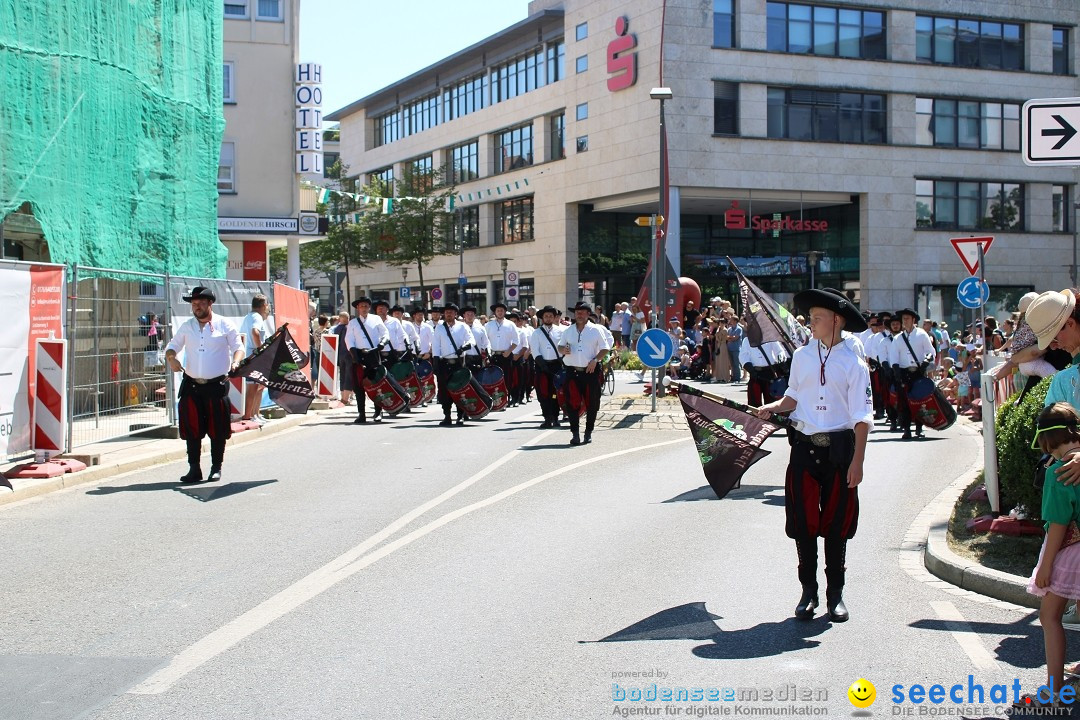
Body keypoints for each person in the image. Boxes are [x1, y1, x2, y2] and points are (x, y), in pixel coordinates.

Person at [753, 287, 872, 623]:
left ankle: (836, 594)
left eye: (817, 318)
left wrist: (858, 462)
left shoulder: (854, 363)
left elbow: (862, 417)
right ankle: (808, 592)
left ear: (837, 320)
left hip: (840, 449)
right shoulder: (803, 356)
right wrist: (772, 407)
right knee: (803, 524)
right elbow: (792, 396)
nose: (811, 323)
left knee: (836, 525)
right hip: (804, 447)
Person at [1027, 403, 1080, 701]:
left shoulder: (1057, 472)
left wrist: (1045, 567)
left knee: (1049, 617)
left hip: (1071, 552)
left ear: (1046, 441)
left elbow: (1058, 524)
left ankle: (1053, 690)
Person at [164, 286, 244, 484]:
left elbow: (238, 347)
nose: (196, 307)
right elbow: (172, 347)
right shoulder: (187, 326)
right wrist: (171, 358)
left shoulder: (224, 325)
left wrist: (235, 362)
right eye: (193, 304)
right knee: (192, 428)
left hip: (216, 385)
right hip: (192, 386)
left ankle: (216, 467)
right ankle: (194, 469)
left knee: (217, 429)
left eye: (200, 303)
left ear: (210, 303)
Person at [558, 301, 611, 446]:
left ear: (588, 314)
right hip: (572, 371)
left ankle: (588, 432)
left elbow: (605, 348)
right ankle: (575, 433)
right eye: (577, 312)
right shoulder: (568, 330)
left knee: (592, 403)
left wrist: (596, 360)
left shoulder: (596, 329)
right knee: (572, 403)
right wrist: (563, 350)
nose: (579, 315)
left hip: (591, 372)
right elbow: (560, 346)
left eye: (582, 312)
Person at [888, 308, 935, 440]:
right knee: (904, 402)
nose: (905, 321)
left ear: (914, 320)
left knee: (919, 400)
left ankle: (919, 428)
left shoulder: (922, 335)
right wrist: (896, 370)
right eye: (903, 319)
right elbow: (893, 356)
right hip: (903, 372)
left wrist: (926, 361)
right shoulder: (898, 338)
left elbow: (931, 351)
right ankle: (906, 429)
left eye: (907, 318)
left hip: (918, 371)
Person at [344, 297, 389, 424]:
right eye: (361, 306)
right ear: (357, 308)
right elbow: (349, 339)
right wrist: (353, 352)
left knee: (376, 384)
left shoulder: (376, 319)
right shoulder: (353, 322)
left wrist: (382, 343)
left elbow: (385, 333)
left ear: (369, 308)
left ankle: (378, 411)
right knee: (358, 386)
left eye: (366, 306)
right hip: (358, 355)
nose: (364, 308)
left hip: (373, 353)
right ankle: (361, 413)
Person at [431, 303, 475, 426]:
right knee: (444, 390)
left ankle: (460, 415)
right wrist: (435, 361)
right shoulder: (439, 328)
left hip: (459, 363)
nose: (449, 314)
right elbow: (436, 345)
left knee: (460, 389)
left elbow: (472, 340)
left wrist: (465, 347)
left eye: (451, 312)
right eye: (446, 312)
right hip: (444, 363)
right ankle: (447, 416)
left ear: (456, 314)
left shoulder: (463, 326)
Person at [530, 305, 565, 428]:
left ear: (554, 317)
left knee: (555, 393)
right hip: (542, 366)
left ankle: (555, 417)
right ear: (542, 318)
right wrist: (543, 365)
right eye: (546, 316)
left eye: (551, 316)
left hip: (556, 366)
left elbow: (564, 348)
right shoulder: (536, 333)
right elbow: (535, 350)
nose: (548, 318)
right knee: (543, 393)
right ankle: (547, 418)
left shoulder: (561, 331)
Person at [238, 294, 271, 425]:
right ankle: (248, 415)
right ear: (263, 305)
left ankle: (255, 414)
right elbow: (255, 332)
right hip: (254, 356)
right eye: (267, 304)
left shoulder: (249, 317)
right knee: (253, 387)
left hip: (251, 355)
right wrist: (260, 350)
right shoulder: (256, 317)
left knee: (259, 386)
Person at [485, 302, 519, 405]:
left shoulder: (510, 324)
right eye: (498, 310)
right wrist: (487, 354)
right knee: (493, 378)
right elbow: (485, 341)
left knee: (507, 378)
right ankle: (494, 400)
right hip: (493, 355)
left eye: (502, 310)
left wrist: (509, 351)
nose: (500, 312)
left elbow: (516, 341)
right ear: (495, 312)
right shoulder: (488, 325)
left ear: (505, 312)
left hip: (506, 355)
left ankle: (505, 399)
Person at [333, 312, 354, 405]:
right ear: (347, 318)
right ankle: (346, 398)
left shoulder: (336, 329)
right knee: (349, 375)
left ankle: (342, 396)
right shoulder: (348, 328)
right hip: (349, 354)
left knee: (342, 375)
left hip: (339, 354)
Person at [726, 316, 744, 383]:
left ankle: (737, 378)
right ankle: (734, 377)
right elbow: (726, 337)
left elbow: (735, 338)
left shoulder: (739, 329)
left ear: (735, 321)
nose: (730, 321)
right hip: (729, 348)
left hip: (736, 348)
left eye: (732, 320)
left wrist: (730, 338)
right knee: (732, 364)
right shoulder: (729, 329)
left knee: (736, 364)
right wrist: (731, 337)